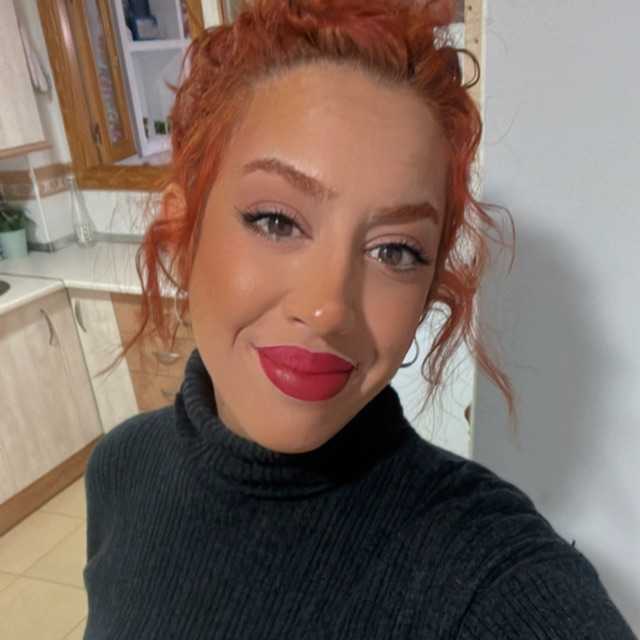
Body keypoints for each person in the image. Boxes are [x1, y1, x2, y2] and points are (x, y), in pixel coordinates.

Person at [82, 1, 636, 637]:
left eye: (395, 251)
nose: (328, 309)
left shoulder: (488, 578)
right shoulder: (121, 469)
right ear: (184, 233)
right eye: (276, 220)